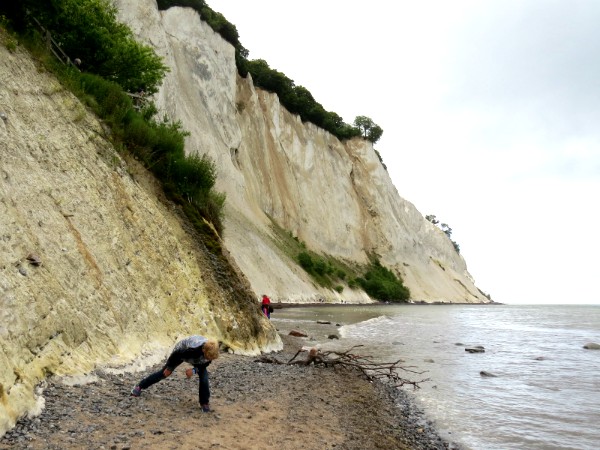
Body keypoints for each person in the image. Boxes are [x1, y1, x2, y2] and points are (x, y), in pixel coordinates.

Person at [130, 335, 219, 412]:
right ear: (204, 351)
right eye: (208, 357)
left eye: (210, 358)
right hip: (179, 353)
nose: (209, 359)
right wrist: (169, 367)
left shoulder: (211, 352)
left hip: (198, 357)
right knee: (164, 373)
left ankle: (204, 402)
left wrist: (194, 370)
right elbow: (176, 355)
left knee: (204, 377)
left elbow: (206, 362)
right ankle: (139, 386)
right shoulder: (192, 349)